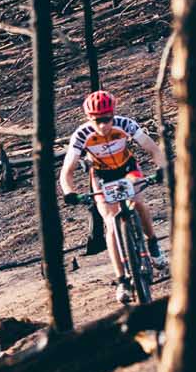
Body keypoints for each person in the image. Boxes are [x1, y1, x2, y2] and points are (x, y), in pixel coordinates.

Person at [58, 90, 168, 305]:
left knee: (137, 202)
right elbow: (67, 171)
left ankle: (152, 242)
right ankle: (121, 280)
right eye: (97, 120)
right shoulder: (82, 135)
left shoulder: (125, 125)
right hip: (101, 175)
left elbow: (153, 149)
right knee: (110, 221)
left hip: (127, 169)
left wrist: (162, 168)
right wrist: (69, 192)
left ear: (113, 114)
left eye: (107, 119)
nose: (103, 125)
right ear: (89, 118)